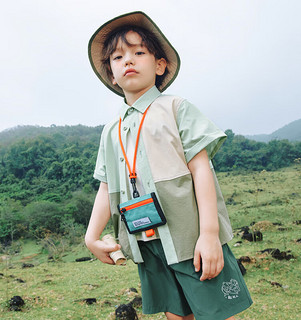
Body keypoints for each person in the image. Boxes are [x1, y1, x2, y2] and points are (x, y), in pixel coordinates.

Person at [85, 11, 252, 320]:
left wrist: (210, 234)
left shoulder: (176, 108)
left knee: (216, 313)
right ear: (111, 74)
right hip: (147, 244)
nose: (128, 60)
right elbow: (106, 186)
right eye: (118, 57)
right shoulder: (111, 131)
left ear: (159, 64)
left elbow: (202, 169)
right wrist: (91, 236)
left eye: (139, 52)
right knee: (175, 314)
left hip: (191, 239)